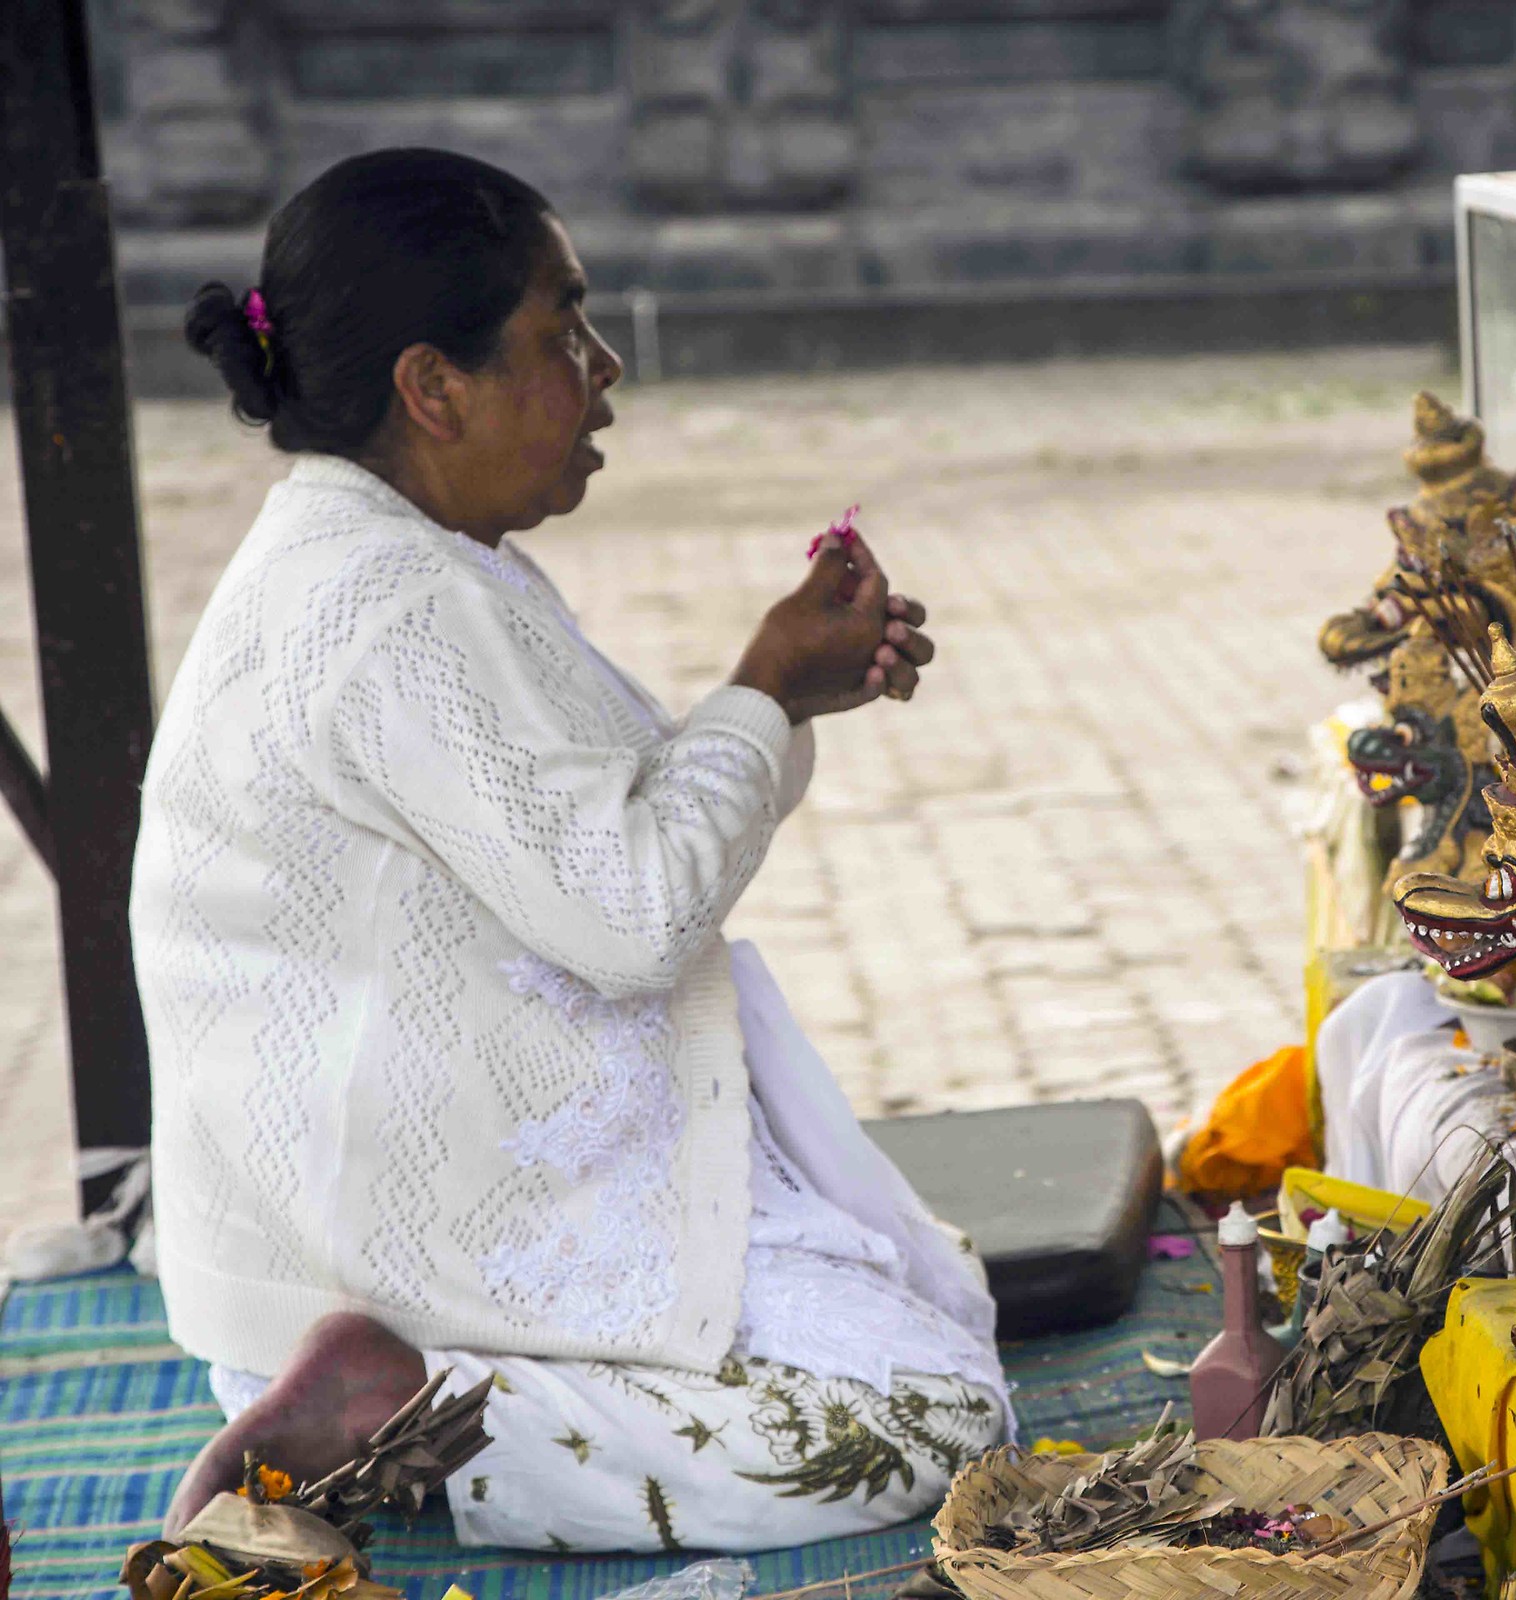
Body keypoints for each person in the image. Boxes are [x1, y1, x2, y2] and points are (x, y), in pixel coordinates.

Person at [130, 148, 1006, 1554]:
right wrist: (763, 690)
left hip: (379, 1225)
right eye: (565, 328)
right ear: (435, 387)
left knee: (922, 1297)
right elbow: (637, 913)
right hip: (401, 1252)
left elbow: (613, 830)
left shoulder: (390, 555)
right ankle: (398, 1413)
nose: (605, 371)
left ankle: (399, 1397)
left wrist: (779, 699)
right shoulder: (393, 605)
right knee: (931, 1414)